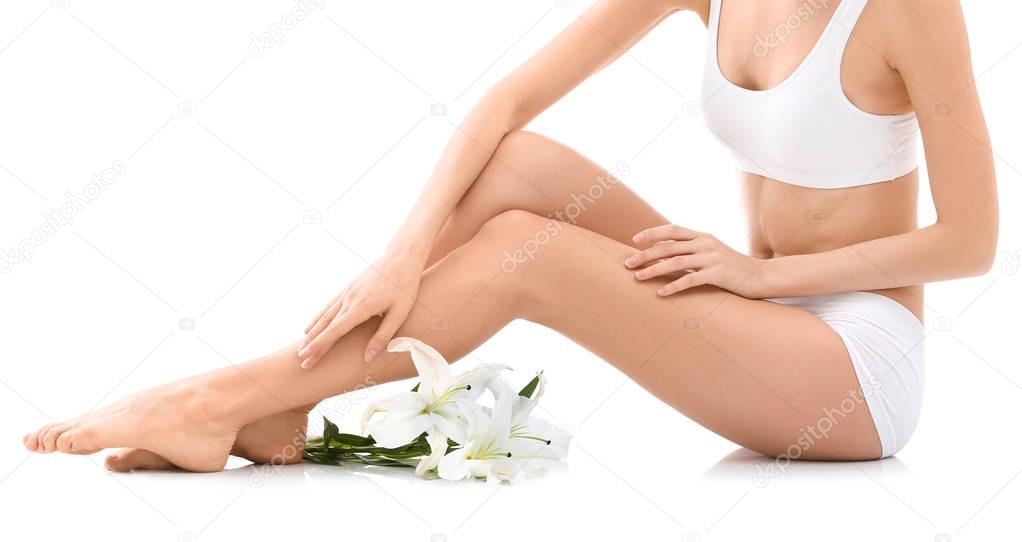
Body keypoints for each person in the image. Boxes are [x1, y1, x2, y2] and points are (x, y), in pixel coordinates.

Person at [23, 0, 997, 471]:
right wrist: (402, 250)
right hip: (748, 305)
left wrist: (750, 271)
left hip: (852, 371)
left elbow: (969, 241)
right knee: (520, 164)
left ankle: (216, 396)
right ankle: (278, 407)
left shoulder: (908, 8)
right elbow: (506, 100)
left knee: (526, 250)